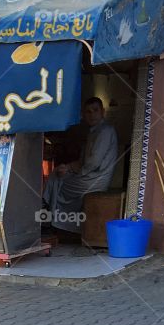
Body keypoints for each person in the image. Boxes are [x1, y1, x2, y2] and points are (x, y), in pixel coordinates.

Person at [42, 97, 119, 231]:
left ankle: (52, 218)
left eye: (95, 110)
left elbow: (93, 163)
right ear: (83, 115)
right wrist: (68, 167)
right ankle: (48, 211)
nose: (92, 115)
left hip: (95, 179)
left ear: (103, 112)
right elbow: (83, 161)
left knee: (60, 182)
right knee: (57, 173)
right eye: (88, 112)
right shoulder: (93, 132)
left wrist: (74, 170)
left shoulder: (105, 131)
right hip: (88, 174)